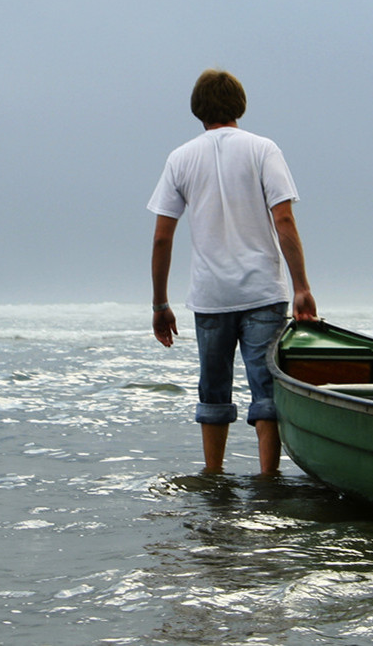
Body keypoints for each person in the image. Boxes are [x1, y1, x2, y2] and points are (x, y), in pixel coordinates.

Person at [147, 69, 317, 475]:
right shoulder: (263, 149)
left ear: (197, 109)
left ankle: (213, 478)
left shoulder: (181, 158)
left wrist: (160, 303)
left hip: (211, 296)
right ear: (239, 105)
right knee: (266, 391)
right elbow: (285, 222)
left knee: (213, 390)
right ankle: (268, 481)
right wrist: (302, 287)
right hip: (262, 291)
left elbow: (161, 238)